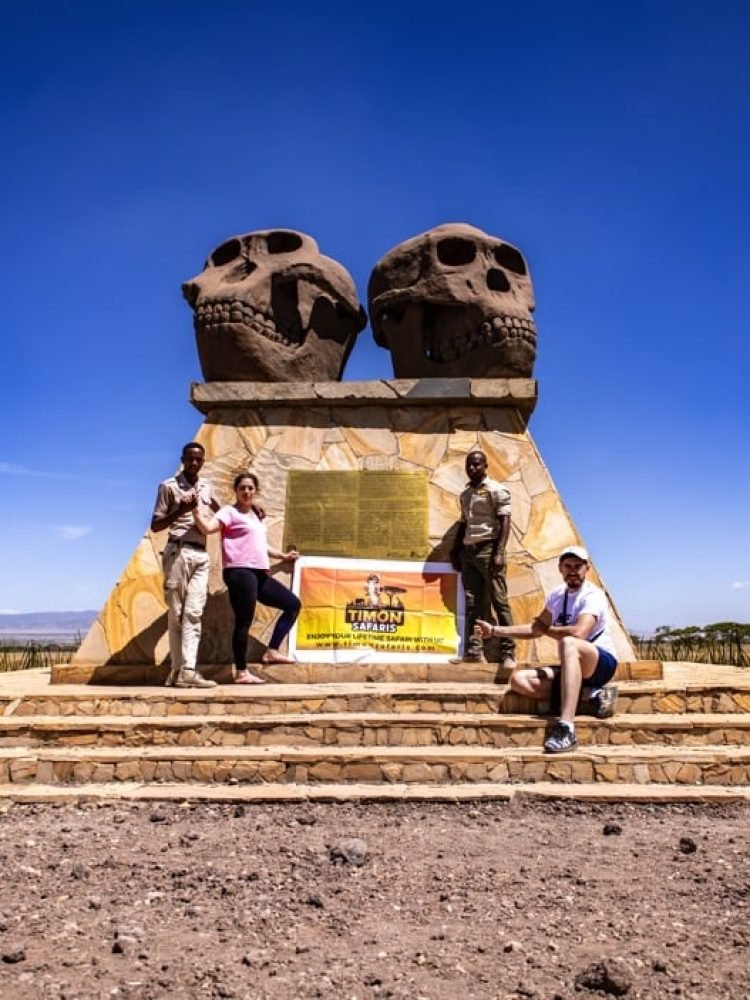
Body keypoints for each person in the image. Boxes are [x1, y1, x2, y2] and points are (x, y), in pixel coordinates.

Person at [475, 545, 619, 754]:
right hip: (574, 666)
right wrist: (495, 631)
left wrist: (548, 629)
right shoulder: (556, 596)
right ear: (560, 568)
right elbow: (535, 629)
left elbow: (579, 633)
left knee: (569, 643)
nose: (572, 570)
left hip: (600, 662)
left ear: (586, 568)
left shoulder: (592, 595)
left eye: (578, 566)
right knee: (518, 680)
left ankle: (567, 728)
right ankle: (590, 695)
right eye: (567, 566)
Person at [194, 472, 301, 683]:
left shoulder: (256, 515)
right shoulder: (229, 512)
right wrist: (195, 512)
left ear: (255, 491)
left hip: (259, 573)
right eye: (242, 488)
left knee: (292, 604)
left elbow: (260, 544)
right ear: (236, 490)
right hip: (239, 571)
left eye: (250, 488)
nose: (246, 491)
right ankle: (241, 672)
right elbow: (208, 529)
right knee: (244, 620)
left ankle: (271, 651)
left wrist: (282, 555)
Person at [150, 441, 220, 688]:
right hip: (177, 552)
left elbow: (220, 511)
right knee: (177, 613)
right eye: (189, 458)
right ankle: (178, 670)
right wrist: (180, 511)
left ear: (203, 461)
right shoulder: (168, 487)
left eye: (198, 459)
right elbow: (156, 525)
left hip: (201, 554)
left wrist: (249, 510)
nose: (193, 463)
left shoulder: (206, 486)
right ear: (182, 459)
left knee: (194, 612)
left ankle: (187, 670)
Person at [449, 449, 515, 667]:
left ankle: (508, 653)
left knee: (500, 601)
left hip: (489, 549)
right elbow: (464, 523)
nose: (472, 468)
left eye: (477, 464)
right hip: (469, 552)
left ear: (486, 466)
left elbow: (505, 521)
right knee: (472, 603)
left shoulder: (497, 490)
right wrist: (455, 550)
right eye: (469, 464)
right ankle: (473, 651)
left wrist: (499, 551)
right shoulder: (465, 494)